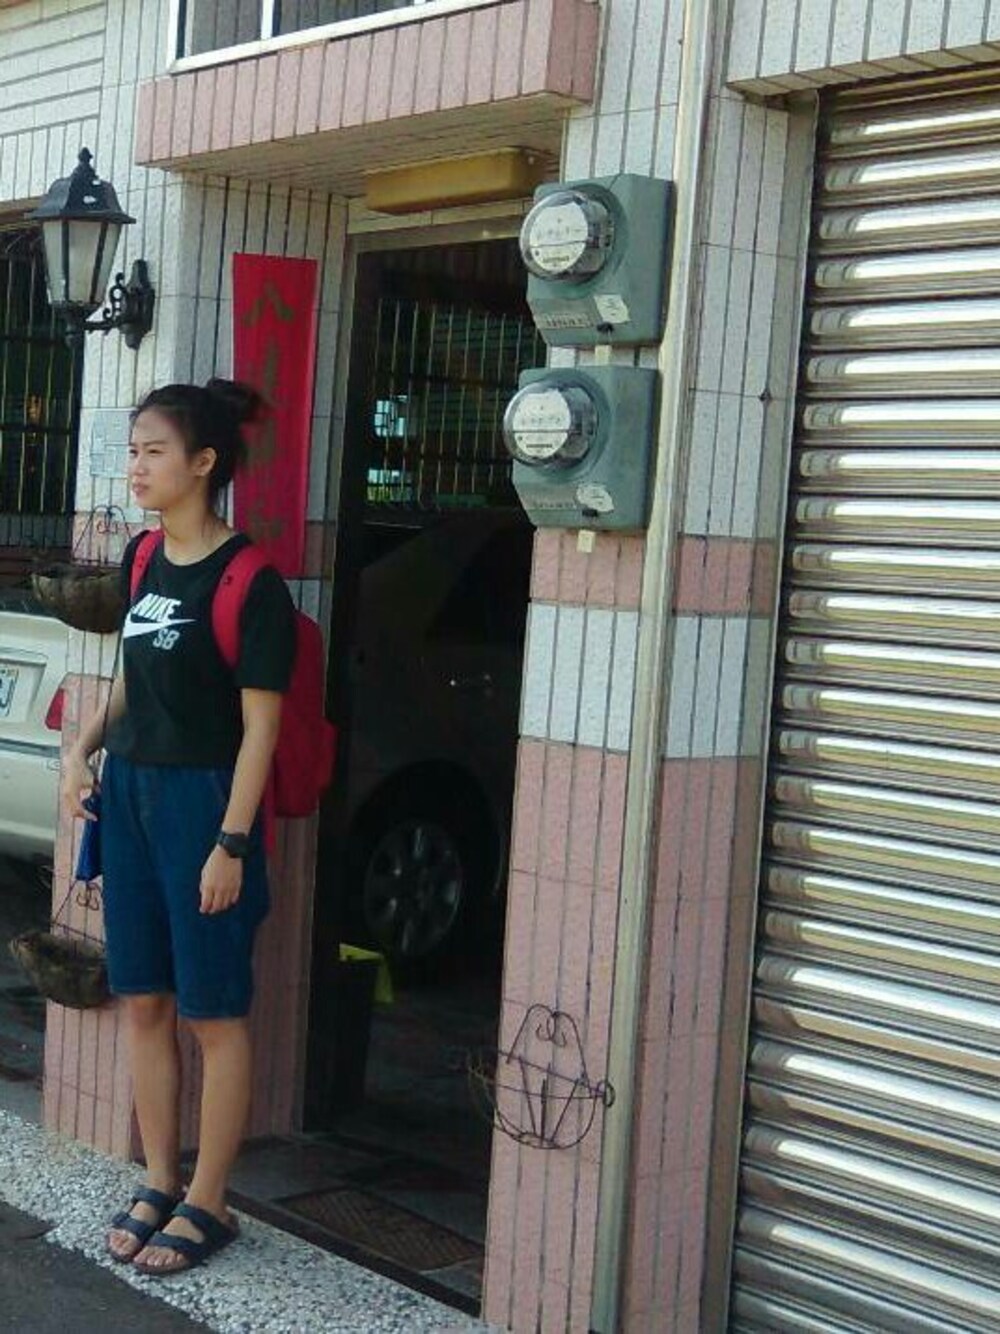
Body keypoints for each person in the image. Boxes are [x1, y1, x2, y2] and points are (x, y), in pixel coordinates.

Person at [61, 379, 296, 1276]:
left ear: (203, 463)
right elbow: (133, 674)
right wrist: (83, 748)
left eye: (153, 452)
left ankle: (210, 1200)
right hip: (130, 795)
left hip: (205, 805)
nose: (136, 467)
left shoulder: (250, 582)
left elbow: (262, 729)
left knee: (213, 1012)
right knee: (145, 999)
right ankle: (159, 1178)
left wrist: (231, 843)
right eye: (133, 451)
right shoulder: (143, 557)